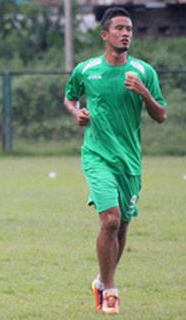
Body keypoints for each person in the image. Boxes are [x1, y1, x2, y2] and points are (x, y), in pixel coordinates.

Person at [63, 7, 166, 315]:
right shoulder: (86, 69)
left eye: (130, 29)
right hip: (96, 156)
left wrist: (144, 93)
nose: (126, 34)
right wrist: (76, 112)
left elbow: (160, 115)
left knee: (122, 225)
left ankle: (100, 279)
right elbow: (70, 96)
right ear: (104, 35)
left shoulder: (144, 72)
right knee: (110, 219)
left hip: (130, 161)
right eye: (120, 28)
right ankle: (110, 290)